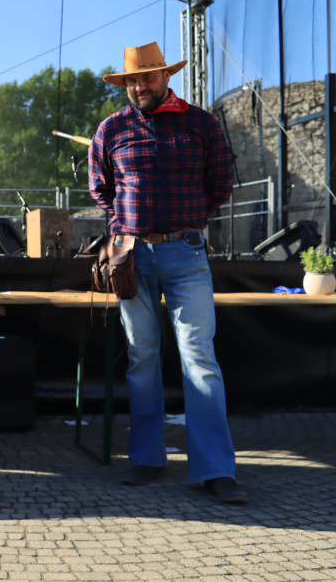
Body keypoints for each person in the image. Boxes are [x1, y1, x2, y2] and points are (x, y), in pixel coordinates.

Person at [88, 41, 248, 505]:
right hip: (131, 255)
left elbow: (221, 185)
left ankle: (217, 469)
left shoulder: (201, 123)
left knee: (200, 359)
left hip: (186, 251)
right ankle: (146, 459)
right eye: (133, 80)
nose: (140, 86)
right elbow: (102, 190)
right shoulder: (111, 128)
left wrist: (186, 220)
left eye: (149, 77)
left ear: (166, 77)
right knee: (141, 357)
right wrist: (129, 228)